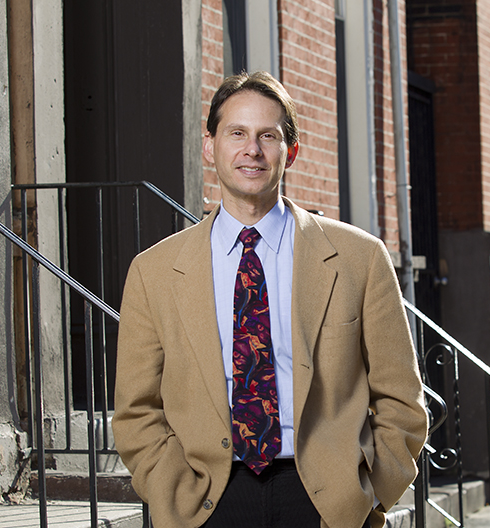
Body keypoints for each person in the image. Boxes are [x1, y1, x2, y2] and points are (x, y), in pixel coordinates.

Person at [112, 70, 428, 528]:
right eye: (236, 133)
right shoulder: (153, 272)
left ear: (290, 151)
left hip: (325, 500)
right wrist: (171, 491)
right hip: (206, 500)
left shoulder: (359, 259)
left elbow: (401, 398)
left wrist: (369, 493)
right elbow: (137, 409)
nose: (251, 150)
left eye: (268, 136)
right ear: (210, 146)